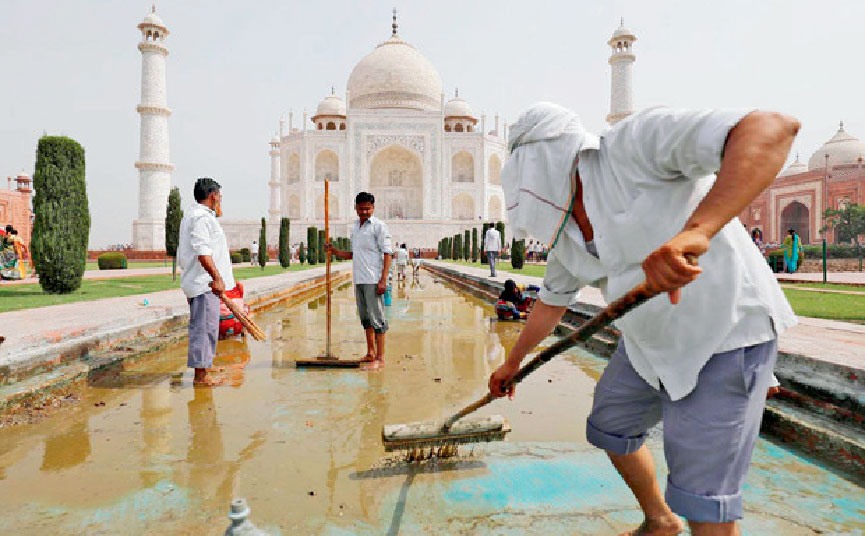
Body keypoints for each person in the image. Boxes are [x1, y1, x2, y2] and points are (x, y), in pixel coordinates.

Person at [489, 103, 799, 536]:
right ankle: (659, 519)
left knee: (703, 498)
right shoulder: (564, 226)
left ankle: (684, 514)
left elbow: (772, 127)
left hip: (723, 331)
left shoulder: (632, 147)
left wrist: (698, 231)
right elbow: (551, 302)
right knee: (609, 425)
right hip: (647, 346)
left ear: (541, 157)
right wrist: (513, 362)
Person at [178, 177, 236, 387]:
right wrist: (217, 278)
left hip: (202, 282)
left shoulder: (197, 216)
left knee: (208, 327)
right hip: (204, 283)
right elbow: (203, 252)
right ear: (213, 196)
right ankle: (201, 377)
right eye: (220, 196)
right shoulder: (201, 218)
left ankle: (203, 369)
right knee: (203, 329)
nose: (221, 200)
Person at [327, 192, 393, 365]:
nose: (364, 212)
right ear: (355, 208)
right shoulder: (355, 227)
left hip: (374, 279)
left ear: (373, 208)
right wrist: (334, 251)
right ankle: (370, 353)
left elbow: (387, 254)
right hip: (360, 279)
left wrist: (383, 280)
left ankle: (380, 357)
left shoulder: (379, 226)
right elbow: (353, 254)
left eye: (368, 209)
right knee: (366, 319)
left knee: (378, 319)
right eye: (361, 208)